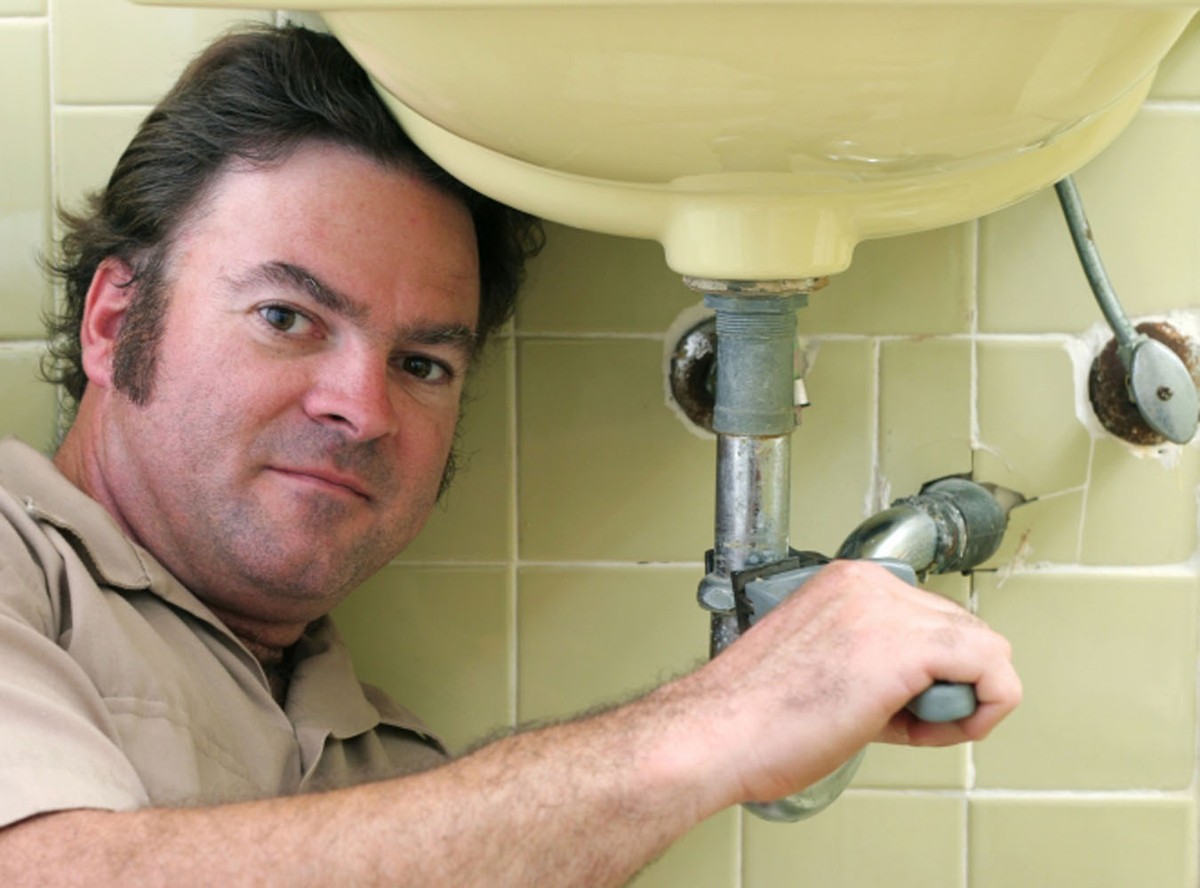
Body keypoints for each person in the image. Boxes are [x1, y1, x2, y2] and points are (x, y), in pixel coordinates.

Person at [0, 23, 1020, 886]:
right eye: (285, 316)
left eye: (423, 364)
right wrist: (718, 722)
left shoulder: (398, 778)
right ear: (115, 321)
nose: (362, 408)